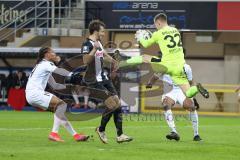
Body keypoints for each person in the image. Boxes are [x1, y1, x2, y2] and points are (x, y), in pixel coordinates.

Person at [121, 13, 209, 100]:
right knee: (188, 93)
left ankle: (122, 63)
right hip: (180, 67)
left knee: (144, 57)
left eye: (156, 25)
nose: (156, 27)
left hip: (167, 65)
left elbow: (146, 44)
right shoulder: (175, 30)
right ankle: (197, 88)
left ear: (158, 22)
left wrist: (140, 38)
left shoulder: (158, 33)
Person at [81, 20, 133, 143]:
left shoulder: (99, 43)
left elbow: (104, 56)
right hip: (93, 80)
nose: (104, 33)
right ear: (95, 31)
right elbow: (85, 61)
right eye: (102, 31)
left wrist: (115, 62)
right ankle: (101, 129)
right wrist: (94, 49)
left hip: (104, 78)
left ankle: (120, 135)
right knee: (112, 104)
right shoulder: (87, 44)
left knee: (118, 104)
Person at [25, 47, 89, 142]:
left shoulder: (42, 65)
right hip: (36, 93)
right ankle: (54, 133)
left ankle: (76, 136)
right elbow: (60, 71)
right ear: (46, 54)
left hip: (31, 95)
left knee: (59, 112)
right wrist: (74, 74)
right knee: (61, 105)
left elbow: (54, 85)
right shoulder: (46, 64)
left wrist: (69, 87)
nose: (55, 54)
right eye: (52, 52)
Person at [147, 63, 202, 141]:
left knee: (192, 107)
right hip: (169, 91)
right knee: (166, 105)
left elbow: (191, 82)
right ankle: (174, 132)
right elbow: (155, 76)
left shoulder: (186, 67)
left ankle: (196, 135)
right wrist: (150, 83)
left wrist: (194, 98)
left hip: (182, 90)